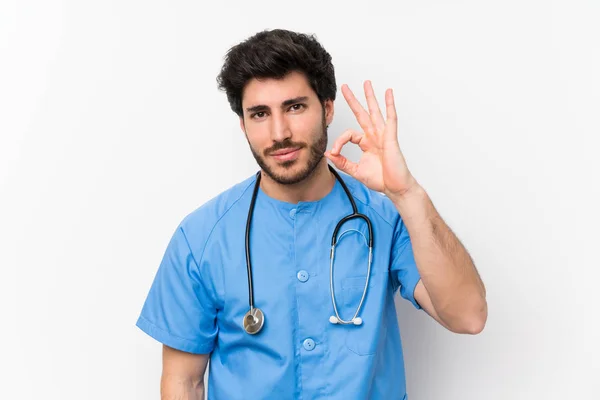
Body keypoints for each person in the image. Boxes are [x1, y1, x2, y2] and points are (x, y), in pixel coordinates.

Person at [135, 28, 487, 400]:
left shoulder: (386, 218)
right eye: (259, 114)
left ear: (328, 108)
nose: (279, 133)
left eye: (295, 107)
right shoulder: (201, 237)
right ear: (243, 125)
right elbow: (183, 382)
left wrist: (407, 194)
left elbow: (468, 316)